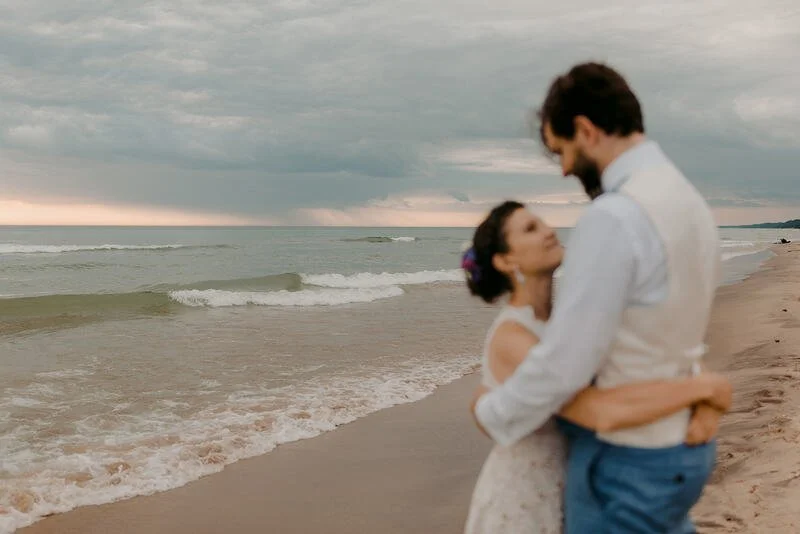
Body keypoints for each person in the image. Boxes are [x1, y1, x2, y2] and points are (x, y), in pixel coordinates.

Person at [471, 63, 724, 533]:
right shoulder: (689, 202)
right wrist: (704, 392)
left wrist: (490, 410)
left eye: (561, 150)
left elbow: (566, 367)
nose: (565, 168)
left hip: (627, 457)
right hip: (681, 448)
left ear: (586, 131)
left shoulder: (614, 217)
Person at [462, 201, 730, 533]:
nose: (548, 231)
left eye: (543, 223)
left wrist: (707, 406)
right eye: (531, 229)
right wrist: (706, 389)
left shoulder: (564, 321)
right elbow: (594, 409)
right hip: (527, 492)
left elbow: (652, 353)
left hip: (579, 477)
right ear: (505, 260)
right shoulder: (512, 336)